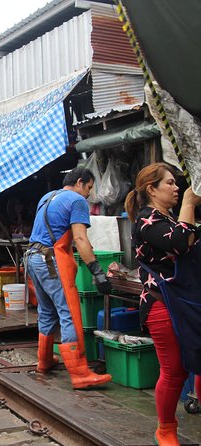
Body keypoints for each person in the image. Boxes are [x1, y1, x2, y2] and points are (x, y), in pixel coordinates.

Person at [124, 163, 201, 445]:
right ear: (151, 189)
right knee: (174, 371)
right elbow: (181, 241)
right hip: (162, 305)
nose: (177, 187)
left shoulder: (168, 219)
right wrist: (191, 203)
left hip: (188, 303)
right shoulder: (147, 220)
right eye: (170, 183)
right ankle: (165, 430)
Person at [26, 166, 112, 389]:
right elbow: (80, 239)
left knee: (46, 310)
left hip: (33, 258)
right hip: (52, 260)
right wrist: (97, 271)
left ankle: (44, 361)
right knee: (69, 313)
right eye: (89, 188)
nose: (89, 194)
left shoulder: (47, 197)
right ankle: (80, 373)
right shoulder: (76, 201)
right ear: (80, 182)